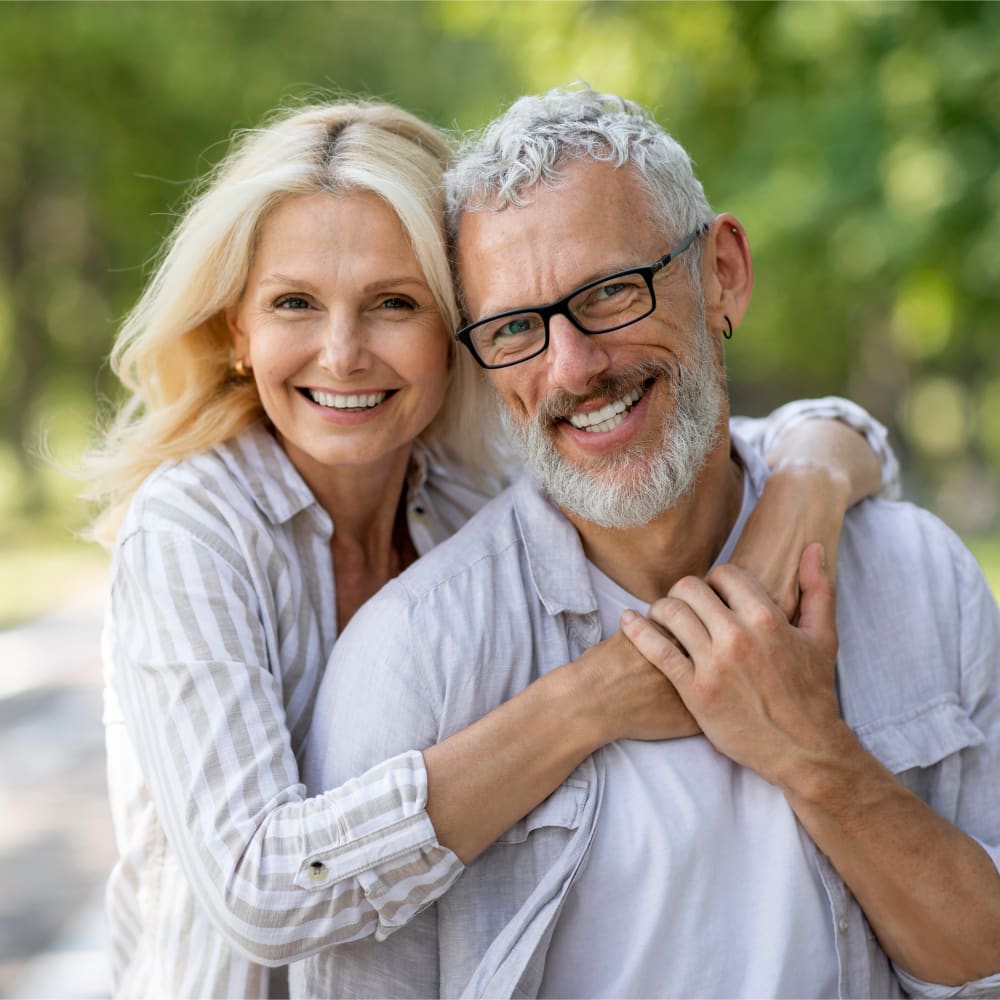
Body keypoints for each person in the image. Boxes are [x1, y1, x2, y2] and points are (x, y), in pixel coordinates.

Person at [86, 98, 895, 999]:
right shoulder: (193, 529)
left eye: (395, 303)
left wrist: (809, 489)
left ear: (459, 331)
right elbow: (263, 892)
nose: (344, 353)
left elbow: (754, 432)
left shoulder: (472, 487)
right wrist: (591, 701)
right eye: (294, 304)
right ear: (239, 330)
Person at [295, 86, 1000, 1000]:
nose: (574, 367)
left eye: (610, 293)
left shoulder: (919, 577)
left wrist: (815, 756)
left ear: (723, 275)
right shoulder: (415, 663)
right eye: (515, 327)